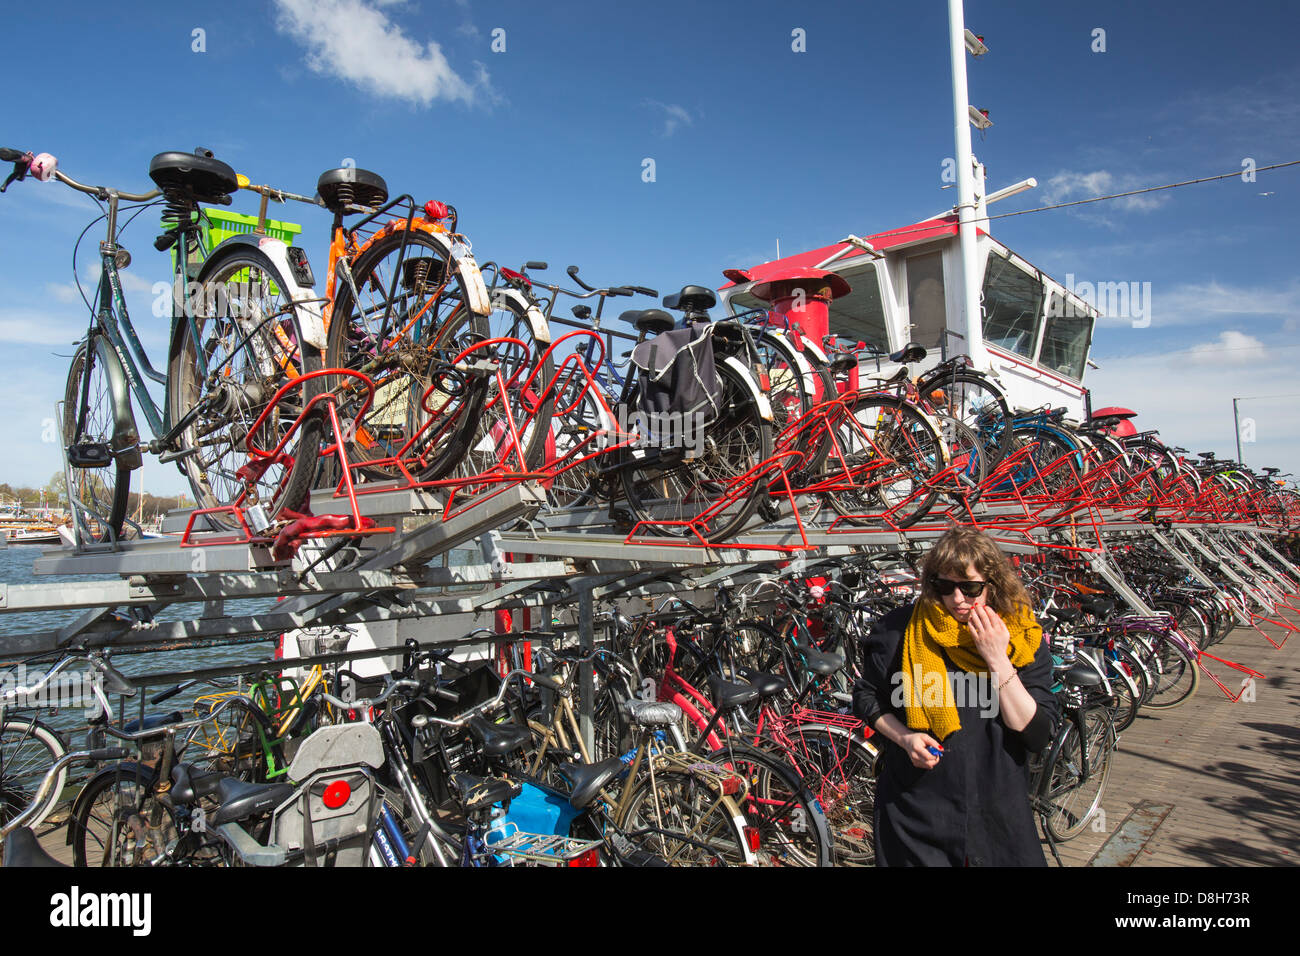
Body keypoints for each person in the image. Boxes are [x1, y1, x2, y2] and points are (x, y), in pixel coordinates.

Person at [852, 527, 1058, 866]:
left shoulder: (1020, 637)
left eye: (971, 587)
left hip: (997, 815)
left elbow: (1035, 733)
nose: (958, 599)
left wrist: (996, 658)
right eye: (944, 587)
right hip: (917, 814)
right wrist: (904, 738)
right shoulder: (900, 631)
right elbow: (868, 697)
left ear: (993, 584)